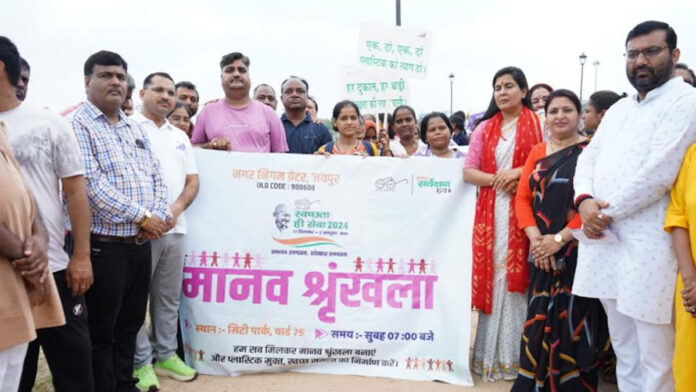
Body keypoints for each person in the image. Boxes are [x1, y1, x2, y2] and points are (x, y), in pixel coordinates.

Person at [573, 21, 696, 392]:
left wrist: (602, 214)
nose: (640, 60)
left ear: (673, 55)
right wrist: (584, 202)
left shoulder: (685, 101)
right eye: (632, 54)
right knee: (624, 348)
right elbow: (588, 156)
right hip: (607, 243)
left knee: (656, 356)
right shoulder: (622, 109)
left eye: (651, 51)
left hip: (650, 248)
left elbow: (658, 172)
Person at [71, 50, 172, 391]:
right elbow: (90, 185)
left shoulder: (131, 127)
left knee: (130, 326)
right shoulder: (78, 126)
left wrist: (158, 215)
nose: (115, 81)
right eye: (105, 75)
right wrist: (144, 217)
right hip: (104, 246)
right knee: (102, 331)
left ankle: (125, 385)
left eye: (119, 76)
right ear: (87, 82)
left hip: (139, 246)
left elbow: (156, 175)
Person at [0, 48, 94, 392]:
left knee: (73, 369)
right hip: (5, 276)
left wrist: (80, 256)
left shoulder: (49, 122)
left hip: (52, 264)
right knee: (13, 373)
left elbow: (75, 191)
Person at [511, 89, 609, 391]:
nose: (560, 116)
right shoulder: (537, 152)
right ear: (546, 117)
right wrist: (537, 239)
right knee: (539, 316)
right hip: (541, 251)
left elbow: (593, 201)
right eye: (553, 111)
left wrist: (560, 238)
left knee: (575, 319)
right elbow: (523, 199)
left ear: (579, 115)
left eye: (567, 110)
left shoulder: (592, 150)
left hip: (579, 250)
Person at [463, 66, 542, 381]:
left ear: (524, 90)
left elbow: (550, 161)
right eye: (498, 87)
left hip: (529, 212)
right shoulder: (485, 128)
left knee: (520, 280)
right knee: (495, 280)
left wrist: (521, 173)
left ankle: (518, 360)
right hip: (492, 210)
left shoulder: (540, 126)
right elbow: (469, 172)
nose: (503, 92)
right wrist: (502, 178)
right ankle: (488, 358)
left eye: (509, 86)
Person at [0, 35, 64, 392]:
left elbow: (27, 199)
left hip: (18, 276)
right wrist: (28, 256)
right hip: (15, 269)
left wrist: (39, 239)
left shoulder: (3, 130)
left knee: (10, 371)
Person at [131, 72, 200, 390]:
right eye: (158, 90)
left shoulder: (180, 136)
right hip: (139, 230)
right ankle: (141, 363)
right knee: (134, 299)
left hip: (175, 227)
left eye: (170, 92)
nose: (166, 96)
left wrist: (172, 213)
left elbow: (192, 182)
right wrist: (150, 218)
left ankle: (165, 355)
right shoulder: (127, 127)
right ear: (143, 92)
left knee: (168, 298)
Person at [191, 52, 288, 153]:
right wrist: (211, 145)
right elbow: (192, 150)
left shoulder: (269, 113)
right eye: (230, 70)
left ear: (249, 77)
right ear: (221, 78)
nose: (236, 74)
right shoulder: (207, 112)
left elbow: (280, 156)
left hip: (260, 169)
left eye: (241, 70)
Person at [666, 143, 696, 392]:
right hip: (691, 291)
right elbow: (677, 217)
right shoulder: (692, 155)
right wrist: (690, 280)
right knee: (688, 369)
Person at [280, 76, 332, 154]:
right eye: (289, 91)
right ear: (281, 98)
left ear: (307, 97)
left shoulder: (320, 129)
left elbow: (330, 161)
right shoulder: (274, 127)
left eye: (300, 91)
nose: (295, 95)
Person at [316, 100, 381, 156]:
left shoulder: (371, 148)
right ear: (335, 122)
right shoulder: (325, 150)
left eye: (353, 118)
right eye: (344, 118)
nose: (349, 122)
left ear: (358, 120)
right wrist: (318, 161)